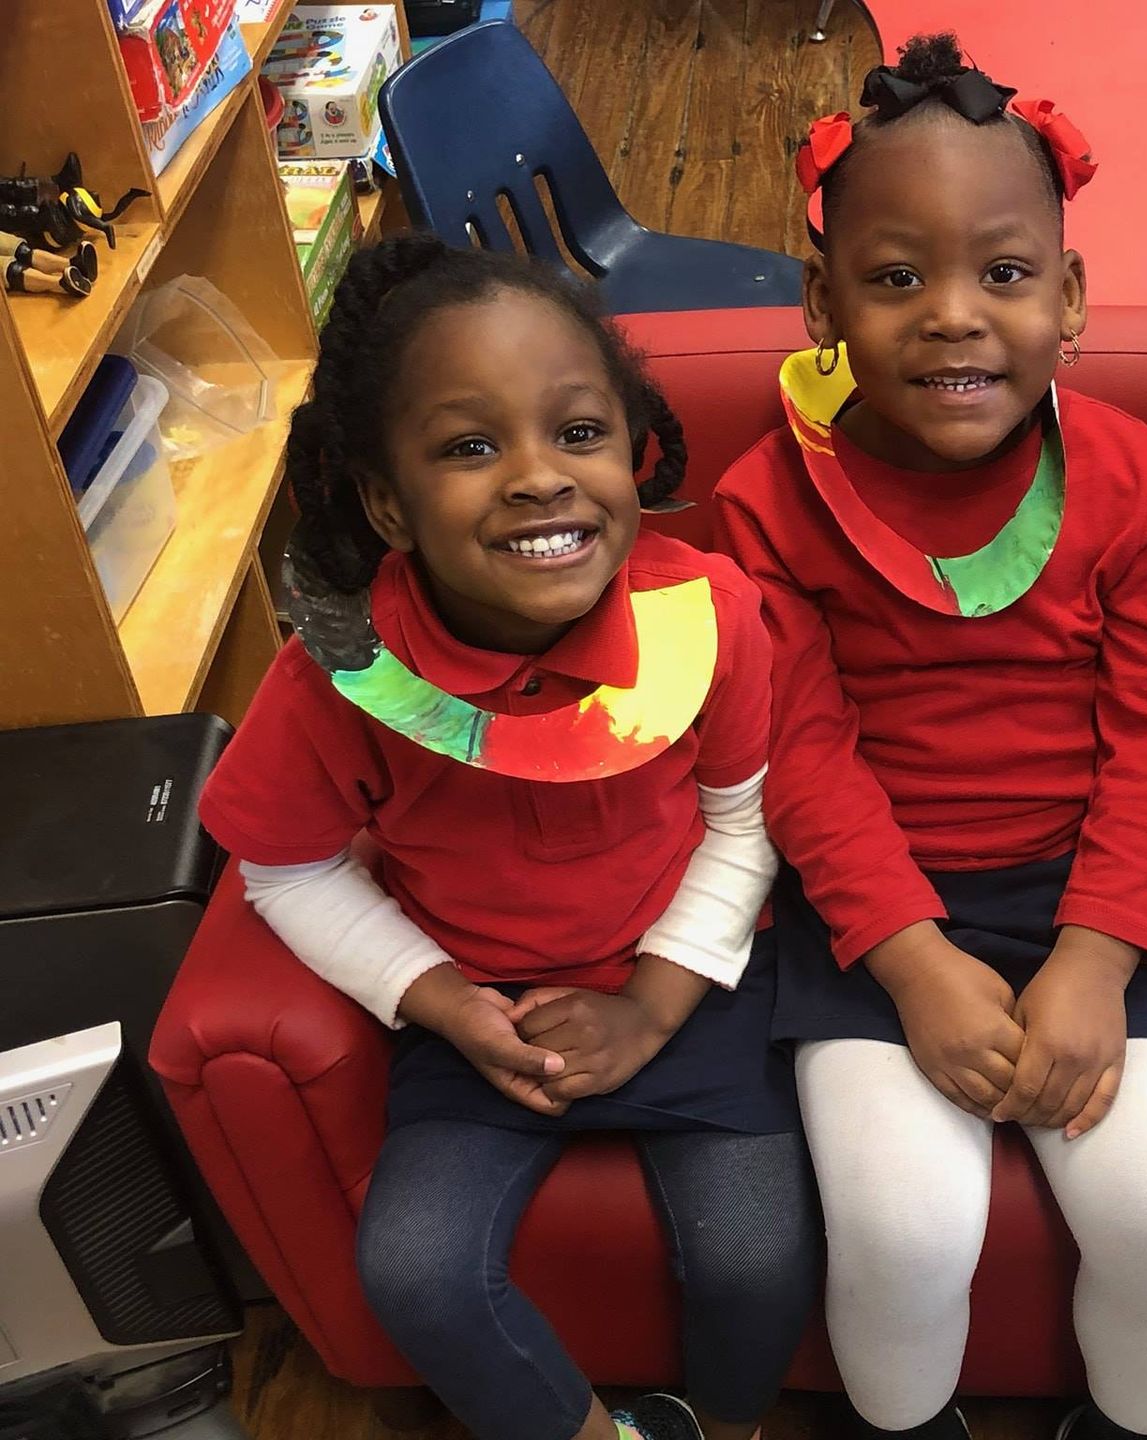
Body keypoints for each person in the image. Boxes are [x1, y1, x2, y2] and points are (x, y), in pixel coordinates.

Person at [197, 235, 819, 1440]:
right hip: (482, 1020)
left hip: (689, 990)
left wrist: (650, 1003)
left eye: (578, 434)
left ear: (633, 454)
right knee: (420, 1268)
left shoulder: (710, 620)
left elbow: (746, 826)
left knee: (759, 1259)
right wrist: (439, 1000)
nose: (539, 479)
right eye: (470, 447)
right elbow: (283, 864)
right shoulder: (342, 673)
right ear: (387, 501)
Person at [711, 33, 1147, 1440]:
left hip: (1092, 904)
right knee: (905, 1233)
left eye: (1002, 275)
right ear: (823, 301)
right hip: (880, 920)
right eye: (895, 279)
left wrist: (1098, 956)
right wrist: (915, 961)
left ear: (1069, 296)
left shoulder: (1135, 480)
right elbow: (799, 751)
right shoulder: (768, 499)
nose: (951, 317)